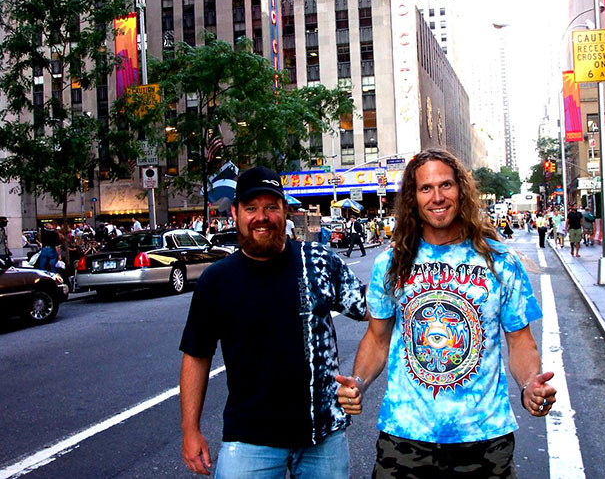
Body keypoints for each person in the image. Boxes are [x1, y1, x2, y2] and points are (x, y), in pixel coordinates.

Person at [335, 149, 556, 477]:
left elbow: (520, 340)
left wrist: (529, 386)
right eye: (426, 188)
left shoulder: (501, 262)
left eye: (446, 185)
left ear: (461, 190)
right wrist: (357, 382)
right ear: (413, 198)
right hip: (405, 438)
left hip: (485, 439)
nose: (437, 197)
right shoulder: (391, 264)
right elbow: (377, 340)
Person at [179, 166, 368, 478]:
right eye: (251, 208)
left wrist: (408, 270)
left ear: (285, 211)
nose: (261, 217)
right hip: (249, 440)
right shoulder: (216, 280)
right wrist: (190, 430)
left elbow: (367, 308)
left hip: (322, 436)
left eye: (271, 207)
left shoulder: (317, 261)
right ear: (236, 213)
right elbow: (196, 356)